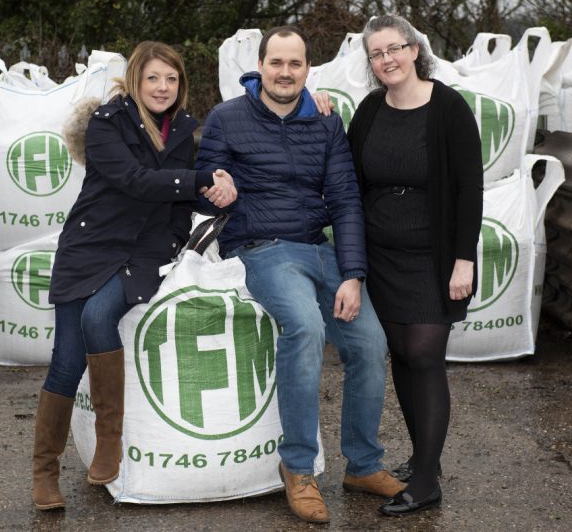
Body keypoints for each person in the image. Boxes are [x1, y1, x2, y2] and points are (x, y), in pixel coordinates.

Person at [196, 26, 405, 524]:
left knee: (370, 343)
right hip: (261, 247)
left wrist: (352, 273)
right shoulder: (227, 117)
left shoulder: (326, 121)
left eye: (295, 64)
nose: (285, 73)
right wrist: (215, 185)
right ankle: (298, 469)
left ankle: (363, 463)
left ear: (308, 70)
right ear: (261, 66)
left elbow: (346, 200)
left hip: (319, 247)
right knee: (306, 328)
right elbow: (205, 175)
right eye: (276, 63)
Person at [32, 41, 236, 511]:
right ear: (135, 82)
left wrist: (220, 192)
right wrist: (201, 178)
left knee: (99, 318)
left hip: (143, 254)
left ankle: (109, 441)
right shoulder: (107, 123)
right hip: (90, 248)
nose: (163, 87)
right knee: (66, 361)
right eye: (153, 78)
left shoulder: (183, 129)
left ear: (180, 86)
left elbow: (179, 195)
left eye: (171, 79)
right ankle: (44, 473)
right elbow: (136, 180)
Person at [346, 14, 484, 517]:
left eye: (394, 49)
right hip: (382, 254)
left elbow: (470, 187)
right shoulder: (368, 111)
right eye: (377, 53)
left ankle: (426, 481)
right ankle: (425, 458)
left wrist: (463, 259)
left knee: (425, 354)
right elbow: (351, 178)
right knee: (401, 354)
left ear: (414, 50)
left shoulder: (448, 108)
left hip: (435, 255)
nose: (387, 60)